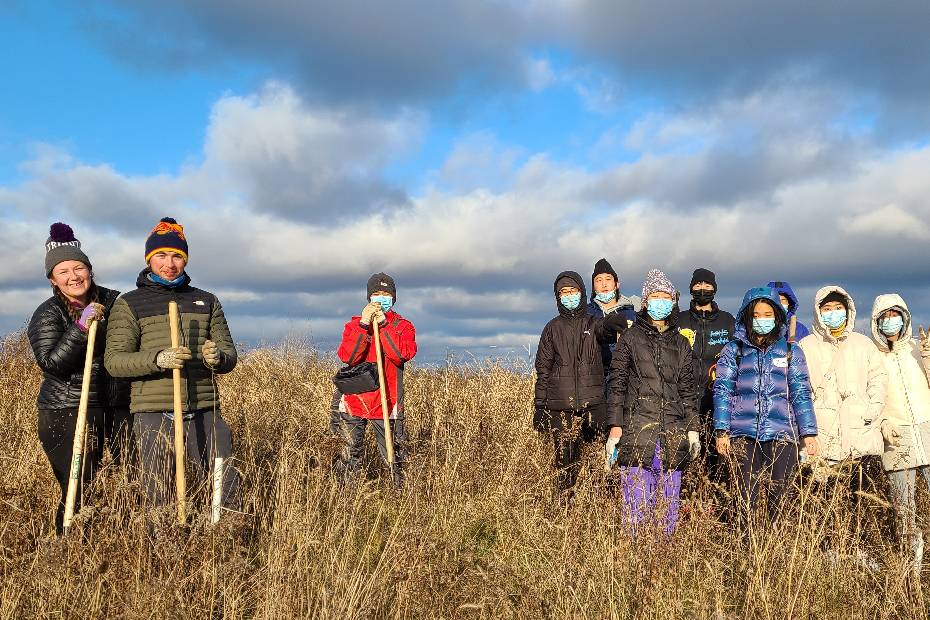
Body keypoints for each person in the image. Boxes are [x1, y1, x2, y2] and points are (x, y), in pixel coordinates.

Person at [105, 217, 239, 516]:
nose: (169, 263)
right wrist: (157, 359)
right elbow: (114, 361)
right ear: (149, 259)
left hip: (204, 407)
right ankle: (165, 548)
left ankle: (226, 540)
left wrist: (217, 357)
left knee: (223, 480)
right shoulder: (130, 304)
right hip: (153, 412)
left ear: (185, 259)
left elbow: (230, 354)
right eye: (161, 256)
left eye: (177, 256)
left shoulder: (207, 301)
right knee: (160, 489)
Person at [28, 223, 131, 534]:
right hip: (67, 409)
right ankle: (71, 552)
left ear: (90, 269)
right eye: (63, 271)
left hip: (116, 405)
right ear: (52, 280)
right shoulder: (47, 314)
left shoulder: (115, 302)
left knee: (133, 480)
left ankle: (124, 548)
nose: (73, 276)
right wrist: (81, 327)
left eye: (79, 267)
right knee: (78, 487)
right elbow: (52, 363)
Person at [605, 269, 700, 534]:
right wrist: (615, 427)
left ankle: (663, 559)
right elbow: (617, 385)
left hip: (672, 433)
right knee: (635, 505)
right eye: (655, 296)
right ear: (645, 301)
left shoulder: (682, 343)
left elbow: (688, 390)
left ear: (673, 301)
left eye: (666, 296)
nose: (661, 301)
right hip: (637, 430)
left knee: (668, 505)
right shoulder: (631, 338)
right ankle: (634, 558)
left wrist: (693, 428)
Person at [714, 286, 819, 524]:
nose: (762, 320)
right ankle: (746, 549)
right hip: (743, 434)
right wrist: (721, 430)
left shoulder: (792, 352)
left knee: (781, 499)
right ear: (747, 316)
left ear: (778, 316)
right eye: (756, 315)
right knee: (744, 499)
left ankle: (776, 554)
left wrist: (808, 433)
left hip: (782, 434)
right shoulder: (734, 350)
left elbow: (801, 393)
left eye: (768, 314)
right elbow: (723, 390)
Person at [534, 271, 626, 493]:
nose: (569, 296)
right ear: (557, 297)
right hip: (560, 407)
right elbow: (543, 370)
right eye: (564, 292)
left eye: (573, 291)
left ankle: (599, 505)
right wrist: (540, 407)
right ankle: (565, 509)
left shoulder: (593, 322)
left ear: (582, 293)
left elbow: (605, 330)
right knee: (565, 466)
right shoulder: (552, 328)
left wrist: (615, 320)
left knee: (599, 460)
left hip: (594, 404)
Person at [798, 287, 887, 518]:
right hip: (823, 437)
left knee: (864, 504)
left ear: (848, 311)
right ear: (818, 313)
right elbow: (800, 390)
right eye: (827, 309)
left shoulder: (863, 344)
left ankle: (861, 552)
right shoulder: (806, 346)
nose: (833, 313)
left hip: (861, 435)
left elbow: (878, 379)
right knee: (826, 506)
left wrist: (872, 409)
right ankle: (831, 553)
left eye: (838, 308)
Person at [335, 273, 417, 488]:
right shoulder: (354, 325)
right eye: (376, 294)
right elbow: (348, 357)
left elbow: (401, 354)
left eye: (386, 294)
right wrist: (364, 325)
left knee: (394, 456)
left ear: (394, 297)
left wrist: (384, 327)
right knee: (348, 454)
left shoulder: (403, 326)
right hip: (354, 399)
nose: (381, 298)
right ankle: (345, 501)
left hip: (387, 402)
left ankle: (397, 498)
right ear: (368, 297)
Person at [870, 294, 930, 572]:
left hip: (927, 431)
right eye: (884, 317)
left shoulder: (920, 348)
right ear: (876, 322)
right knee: (903, 506)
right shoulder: (873, 356)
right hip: (895, 437)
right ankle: (911, 564)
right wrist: (882, 422)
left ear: (905, 317)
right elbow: (871, 396)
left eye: (895, 315)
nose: (890, 321)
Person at [676, 268, 736, 466]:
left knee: (714, 456)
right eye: (698, 284)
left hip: (715, 399)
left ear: (714, 289)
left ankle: (711, 493)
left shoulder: (727, 321)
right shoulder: (679, 319)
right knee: (684, 454)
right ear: (691, 288)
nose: (703, 288)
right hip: (683, 399)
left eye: (707, 285)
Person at [587, 258, 636, 374]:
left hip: (626, 377)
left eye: (608, 279)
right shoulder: (586, 314)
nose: (604, 284)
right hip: (594, 379)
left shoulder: (632, 314)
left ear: (617, 284)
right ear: (593, 286)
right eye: (598, 280)